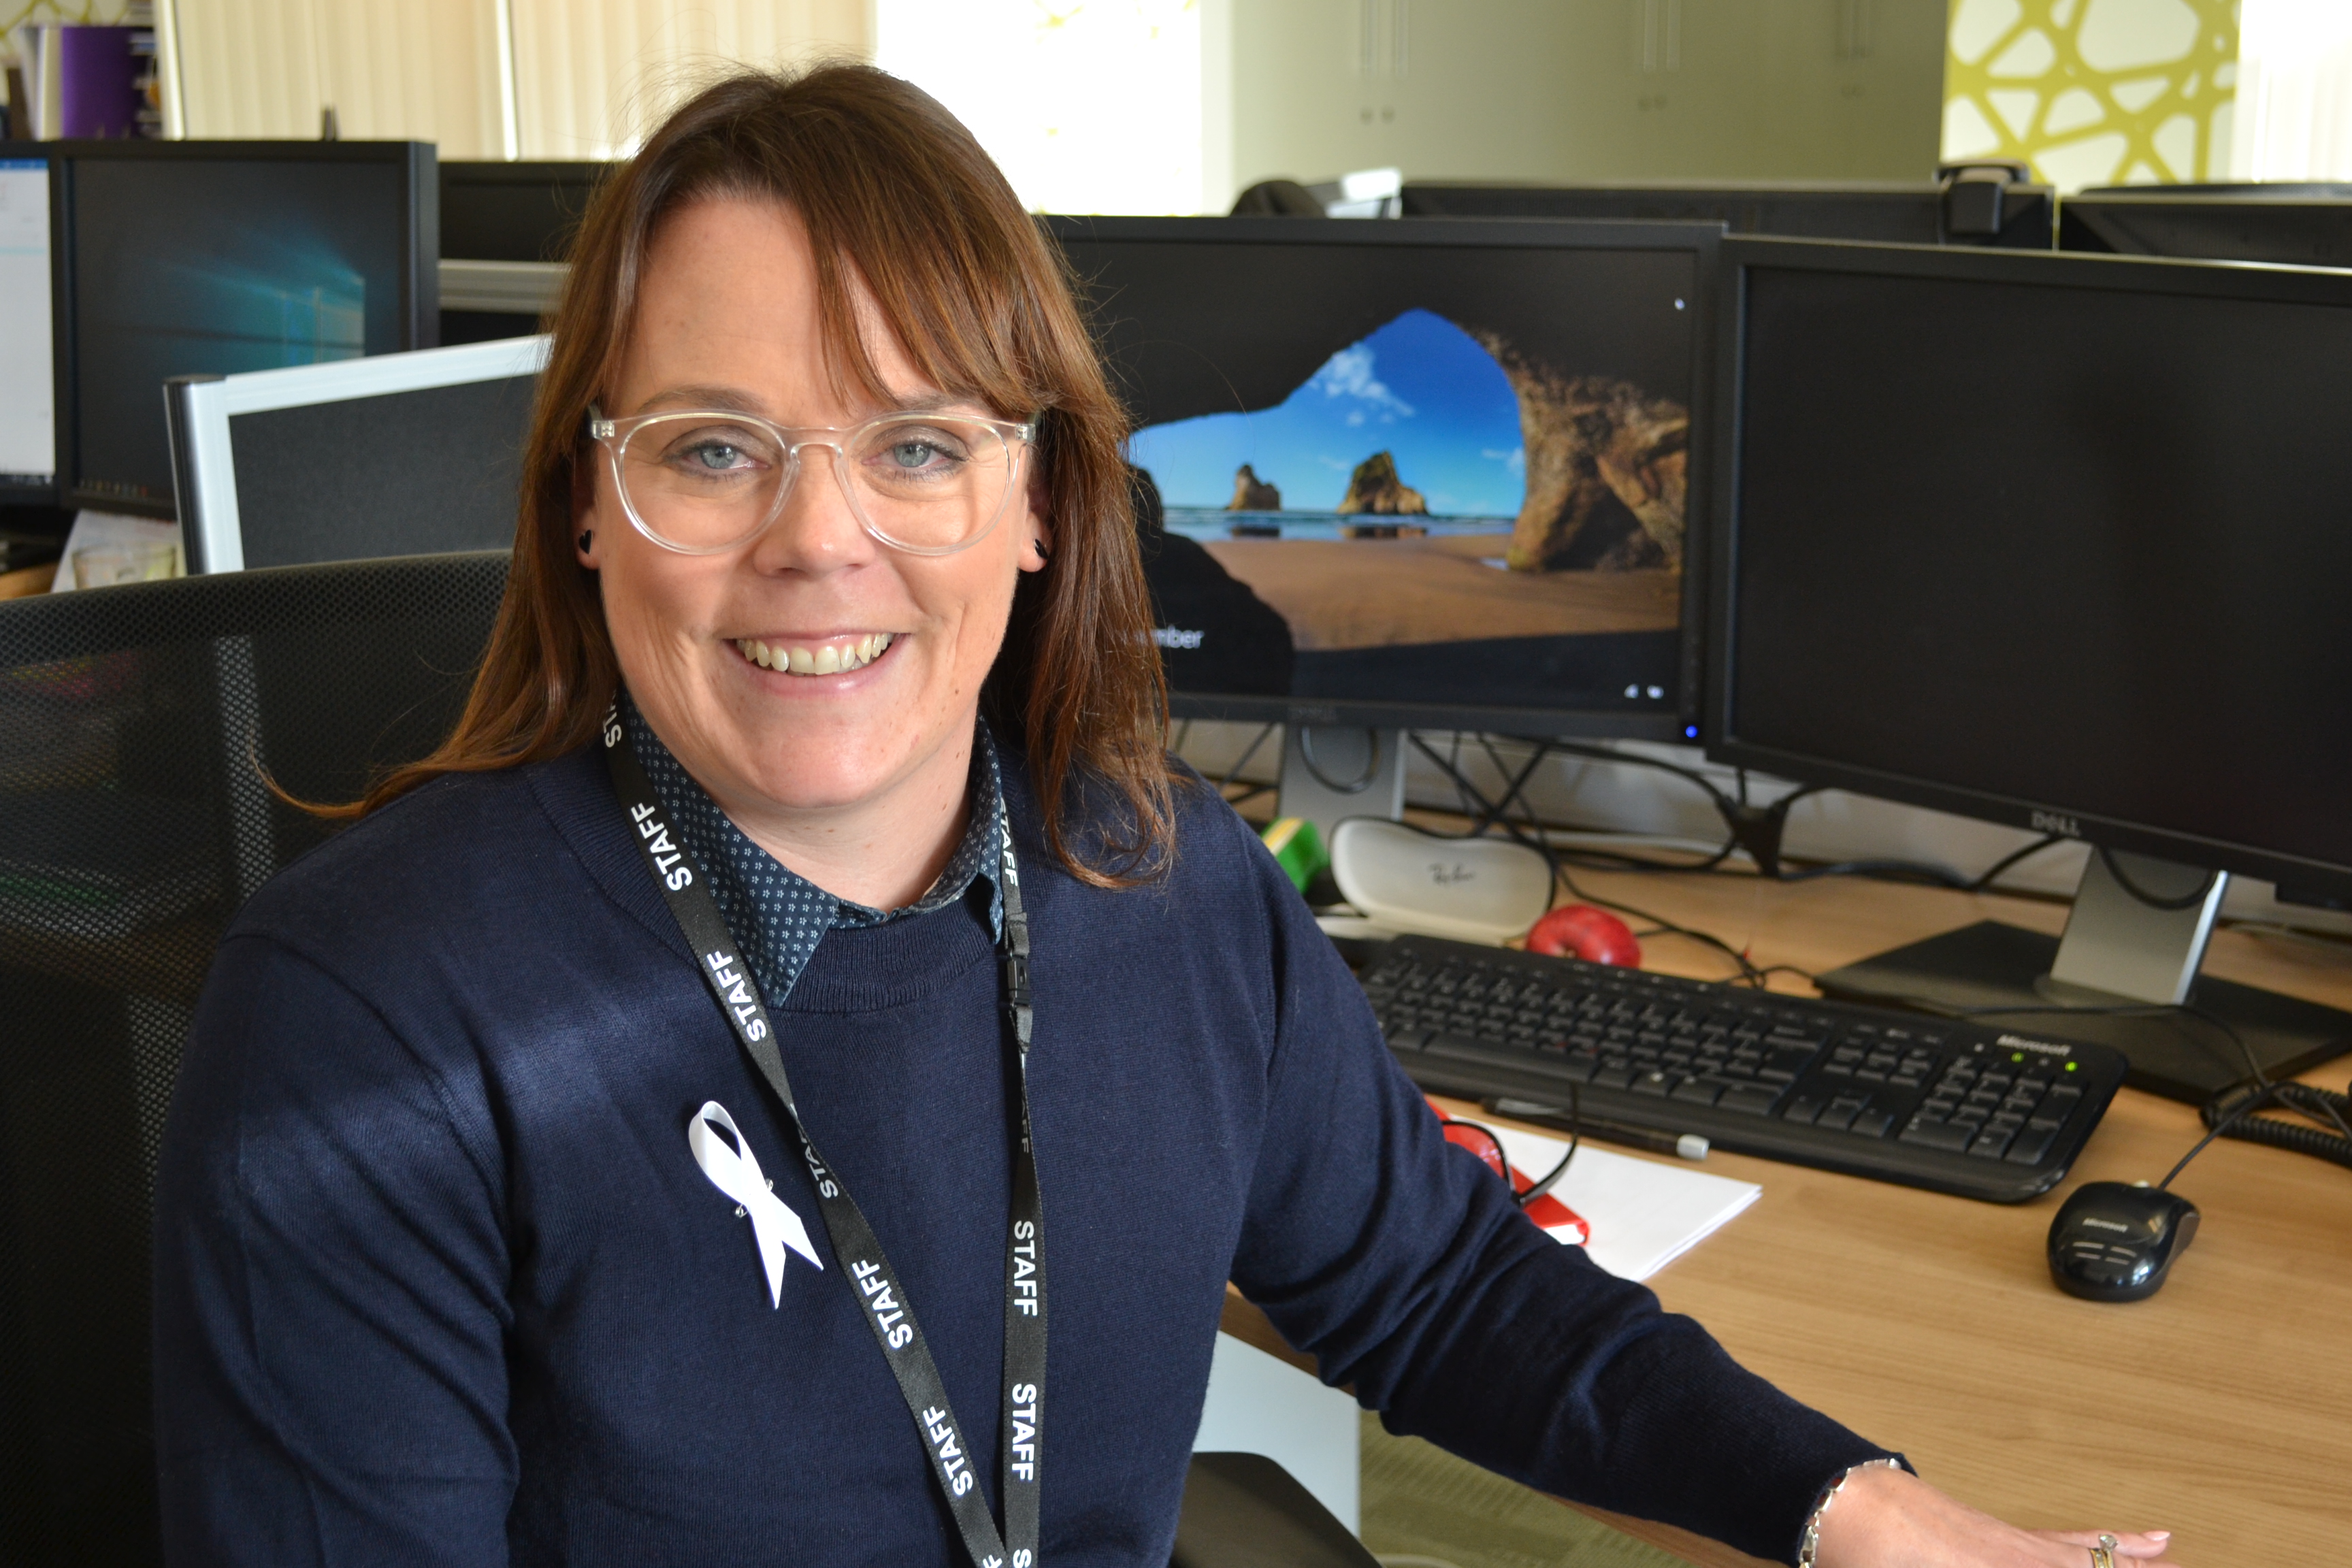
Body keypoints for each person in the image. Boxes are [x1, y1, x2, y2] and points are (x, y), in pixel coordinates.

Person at [150, 65, 2181, 1568]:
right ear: (589, 507)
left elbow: (1437, 1286)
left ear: (1041, 505)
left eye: (919, 446)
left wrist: (1851, 1503)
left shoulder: (1155, 877)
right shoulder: (371, 1027)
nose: (820, 541)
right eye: (712, 450)